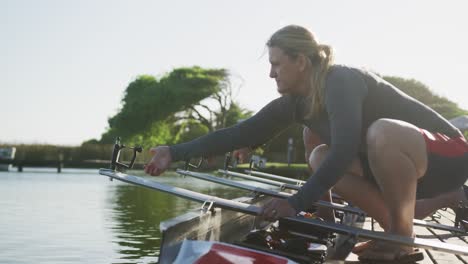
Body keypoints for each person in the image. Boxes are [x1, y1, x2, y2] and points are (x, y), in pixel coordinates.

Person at [144, 25, 468, 262]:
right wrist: (173, 152)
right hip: (407, 168)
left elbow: (345, 150)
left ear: (300, 61)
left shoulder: (340, 81)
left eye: (276, 63)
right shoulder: (298, 102)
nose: (271, 73)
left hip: (449, 157)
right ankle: (395, 232)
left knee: (376, 134)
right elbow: (241, 132)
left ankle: (401, 236)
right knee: (318, 154)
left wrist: (296, 202)